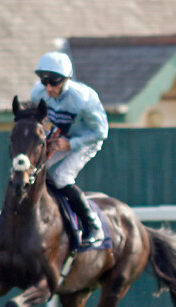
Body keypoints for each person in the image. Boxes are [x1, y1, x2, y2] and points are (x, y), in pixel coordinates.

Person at [31, 51, 109, 246]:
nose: (48, 87)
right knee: (36, 169)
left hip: (86, 141)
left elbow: (101, 132)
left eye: (54, 82)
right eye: (44, 81)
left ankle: (93, 225)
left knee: (61, 177)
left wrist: (71, 144)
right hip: (62, 138)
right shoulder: (37, 93)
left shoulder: (83, 98)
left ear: (66, 79)